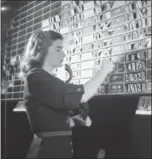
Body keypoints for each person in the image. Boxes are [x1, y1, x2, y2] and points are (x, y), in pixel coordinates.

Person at [19, 30, 121, 158]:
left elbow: (49, 122)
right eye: (58, 49)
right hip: (47, 152)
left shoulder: (44, 78)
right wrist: (104, 70)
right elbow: (83, 95)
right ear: (41, 50)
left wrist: (75, 121)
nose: (63, 54)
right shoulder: (36, 76)